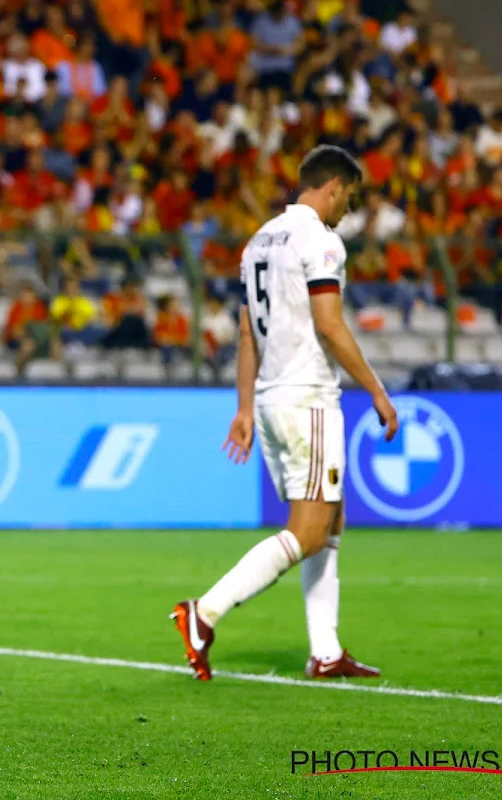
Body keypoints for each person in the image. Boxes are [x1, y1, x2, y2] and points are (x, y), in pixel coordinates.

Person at [171, 144, 399, 681]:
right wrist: (378, 391)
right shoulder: (320, 241)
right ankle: (203, 613)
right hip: (308, 397)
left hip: (273, 399)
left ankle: (325, 651)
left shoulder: (258, 241)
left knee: (330, 518)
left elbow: (247, 334)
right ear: (334, 186)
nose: (348, 209)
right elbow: (331, 325)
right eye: (350, 197)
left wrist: (245, 407)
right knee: (310, 529)